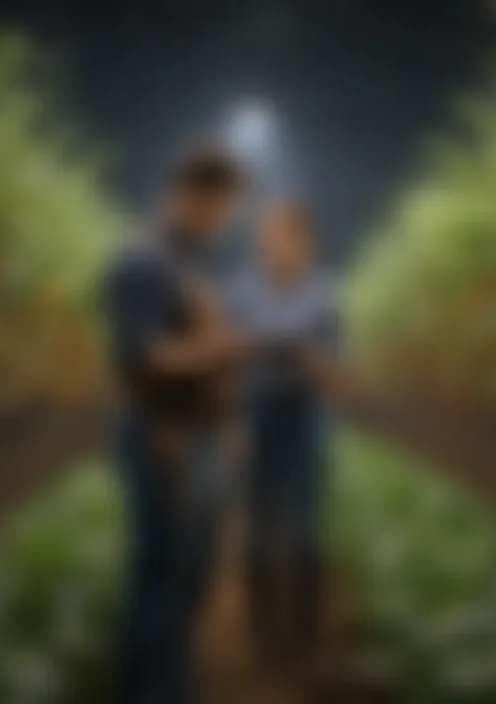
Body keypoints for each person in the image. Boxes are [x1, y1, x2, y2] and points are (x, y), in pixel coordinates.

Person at [102, 146, 248, 704]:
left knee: (178, 571)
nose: (224, 219)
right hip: (160, 437)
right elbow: (144, 357)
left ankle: (153, 683)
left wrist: (225, 422)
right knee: (164, 574)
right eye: (222, 207)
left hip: (190, 434)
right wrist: (216, 349)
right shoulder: (142, 261)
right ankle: (158, 691)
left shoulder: (181, 260)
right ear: (193, 196)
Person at [228, 201, 347, 667]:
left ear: (305, 241)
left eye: (283, 236)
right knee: (256, 530)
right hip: (255, 412)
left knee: (302, 529)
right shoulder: (240, 291)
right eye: (266, 236)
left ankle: (302, 639)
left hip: (305, 415)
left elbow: (336, 372)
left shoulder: (323, 293)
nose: (273, 245)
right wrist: (231, 425)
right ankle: (263, 636)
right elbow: (227, 365)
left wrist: (307, 359)